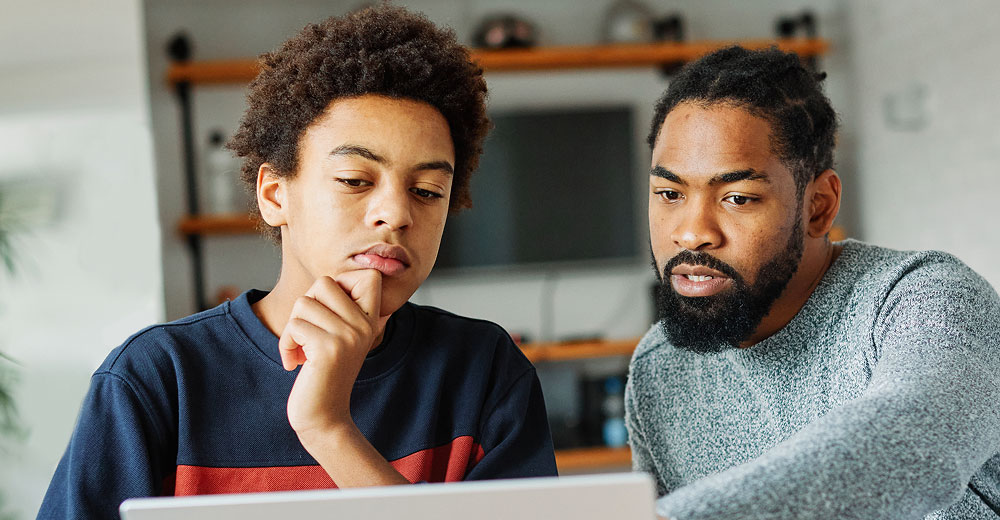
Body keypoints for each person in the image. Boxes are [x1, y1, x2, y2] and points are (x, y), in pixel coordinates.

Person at [39, 6, 557, 518]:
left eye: (427, 191)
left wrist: (328, 428)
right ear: (273, 194)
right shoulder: (156, 379)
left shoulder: (484, 371)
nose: (396, 214)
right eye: (356, 180)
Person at [627, 46, 1000, 520]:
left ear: (819, 206)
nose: (693, 232)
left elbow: (906, 442)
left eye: (738, 198)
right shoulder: (660, 368)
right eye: (669, 193)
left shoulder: (925, 300)